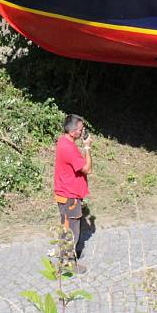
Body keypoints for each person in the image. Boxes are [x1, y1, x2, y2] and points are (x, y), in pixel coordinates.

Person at [54, 114, 92, 271]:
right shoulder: (69, 148)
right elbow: (87, 169)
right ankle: (67, 263)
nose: (83, 132)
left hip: (67, 192)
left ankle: (70, 253)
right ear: (73, 132)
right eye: (81, 129)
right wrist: (88, 147)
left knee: (68, 225)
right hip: (70, 196)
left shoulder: (64, 140)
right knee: (72, 229)